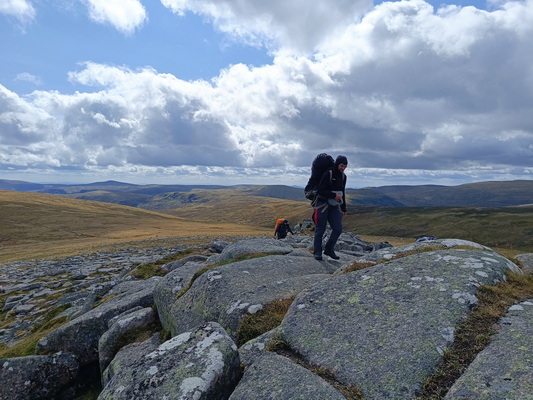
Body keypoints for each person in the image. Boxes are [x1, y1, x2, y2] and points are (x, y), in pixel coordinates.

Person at [312, 155, 348, 260]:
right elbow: (320, 190)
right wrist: (333, 195)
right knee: (320, 229)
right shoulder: (329, 173)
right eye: (342, 165)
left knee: (338, 228)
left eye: (345, 166)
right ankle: (317, 252)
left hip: (335, 206)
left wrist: (344, 208)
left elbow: (343, 192)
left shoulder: (343, 176)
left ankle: (329, 249)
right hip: (322, 204)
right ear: (337, 164)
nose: (343, 168)